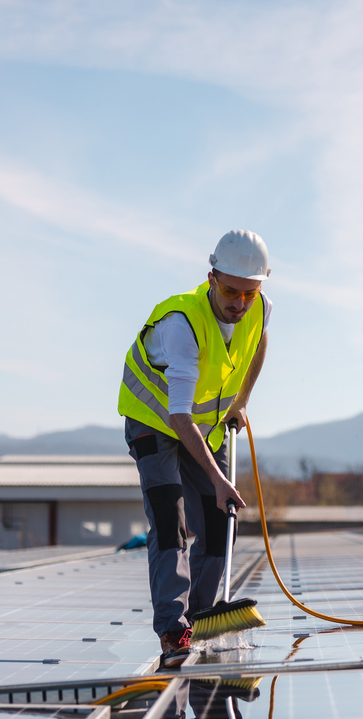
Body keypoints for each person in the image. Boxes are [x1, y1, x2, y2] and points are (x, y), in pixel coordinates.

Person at [118, 229, 271, 667]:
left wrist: (240, 401)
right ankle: (173, 628)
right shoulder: (182, 326)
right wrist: (219, 477)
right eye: (230, 291)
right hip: (155, 421)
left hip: (202, 427)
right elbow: (178, 416)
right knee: (171, 520)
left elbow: (260, 340)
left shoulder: (258, 308)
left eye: (249, 293)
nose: (239, 304)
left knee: (221, 523)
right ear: (211, 278)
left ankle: (202, 616)